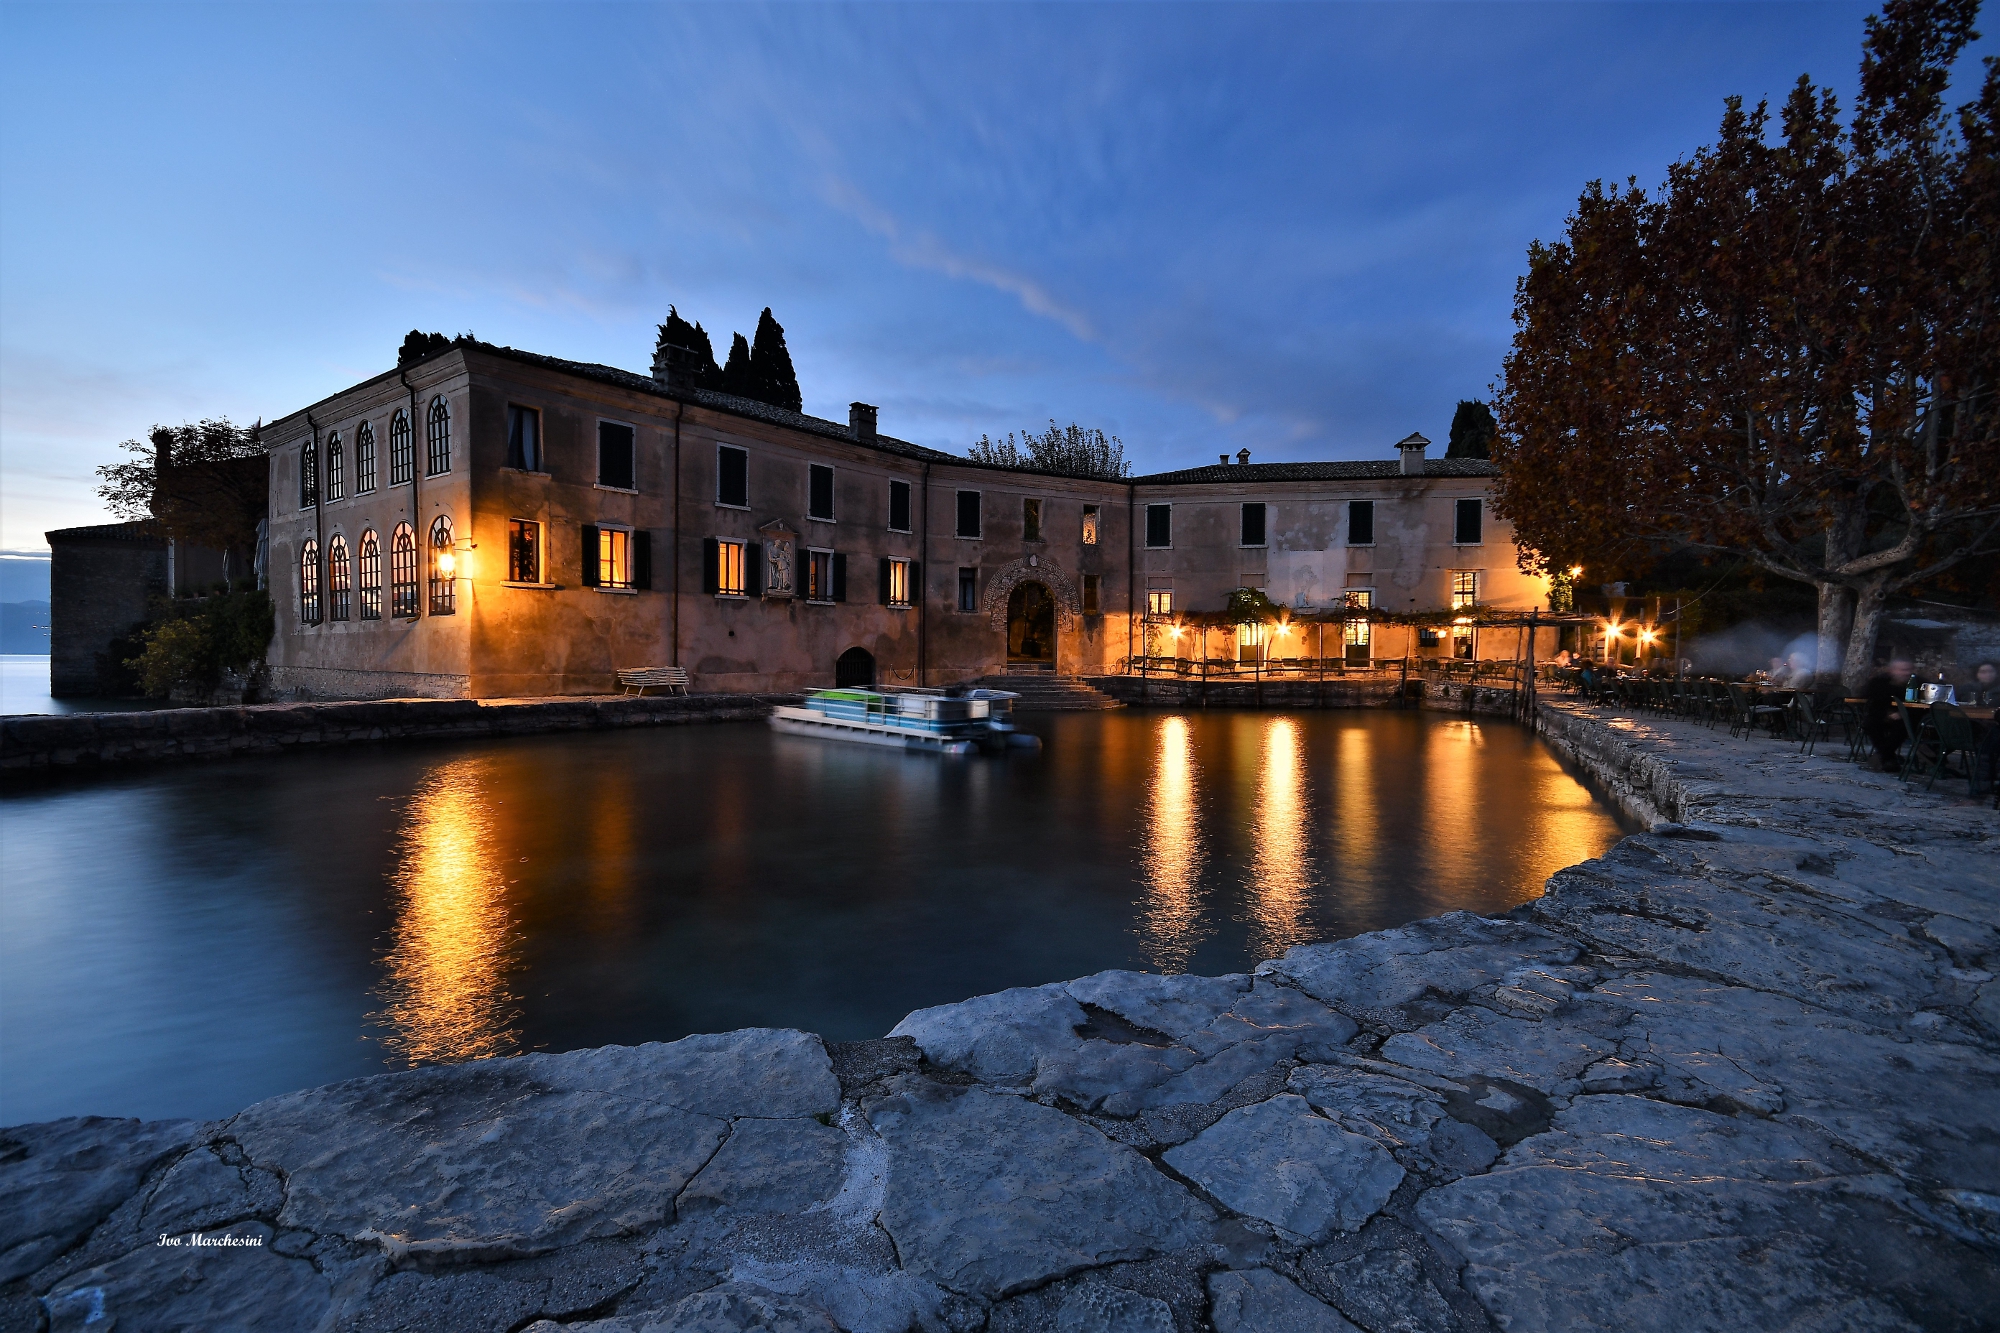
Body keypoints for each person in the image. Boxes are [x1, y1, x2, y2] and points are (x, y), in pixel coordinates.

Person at [1862, 656, 1916, 772]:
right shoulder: (1879, 682)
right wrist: (1888, 713)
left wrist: (1902, 714)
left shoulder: (1917, 682)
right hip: (1882, 715)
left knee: (1903, 726)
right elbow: (1872, 700)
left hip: (1909, 717)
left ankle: (1882, 756)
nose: (1905, 673)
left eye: (1908, 669)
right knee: (1871, 723)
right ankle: (1888, 758)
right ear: (1892, 670)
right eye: (1902, 670)